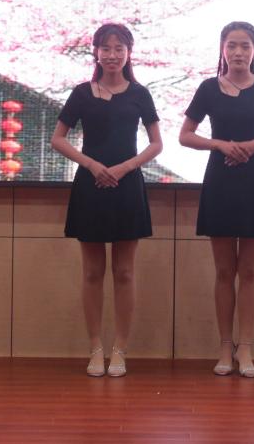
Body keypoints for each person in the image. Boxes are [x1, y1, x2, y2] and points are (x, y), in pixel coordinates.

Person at [178, 21, 254, 378]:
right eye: (232, 45)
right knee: (224, 271)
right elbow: (185, 135)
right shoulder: (208, 88)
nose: (238, 52)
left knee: (250, 270)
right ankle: (224, 346)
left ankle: (246, 347)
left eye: (245, 45)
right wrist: (220, 144)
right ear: (222, 49)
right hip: (220, 181)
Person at [51, 23, 163, 377]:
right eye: (106, 48)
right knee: (92, 272)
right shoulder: (81, 93)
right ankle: (96, 348)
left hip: (127, 187)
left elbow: (157, 144)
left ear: (129, 53)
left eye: (119, 48)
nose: (112, 55)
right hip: (91, 185)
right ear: (96, 52)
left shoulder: (140, 93)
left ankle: (120, 349)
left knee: (125, 272)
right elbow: (58, 138)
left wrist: (125, 167)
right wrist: (92, 165)